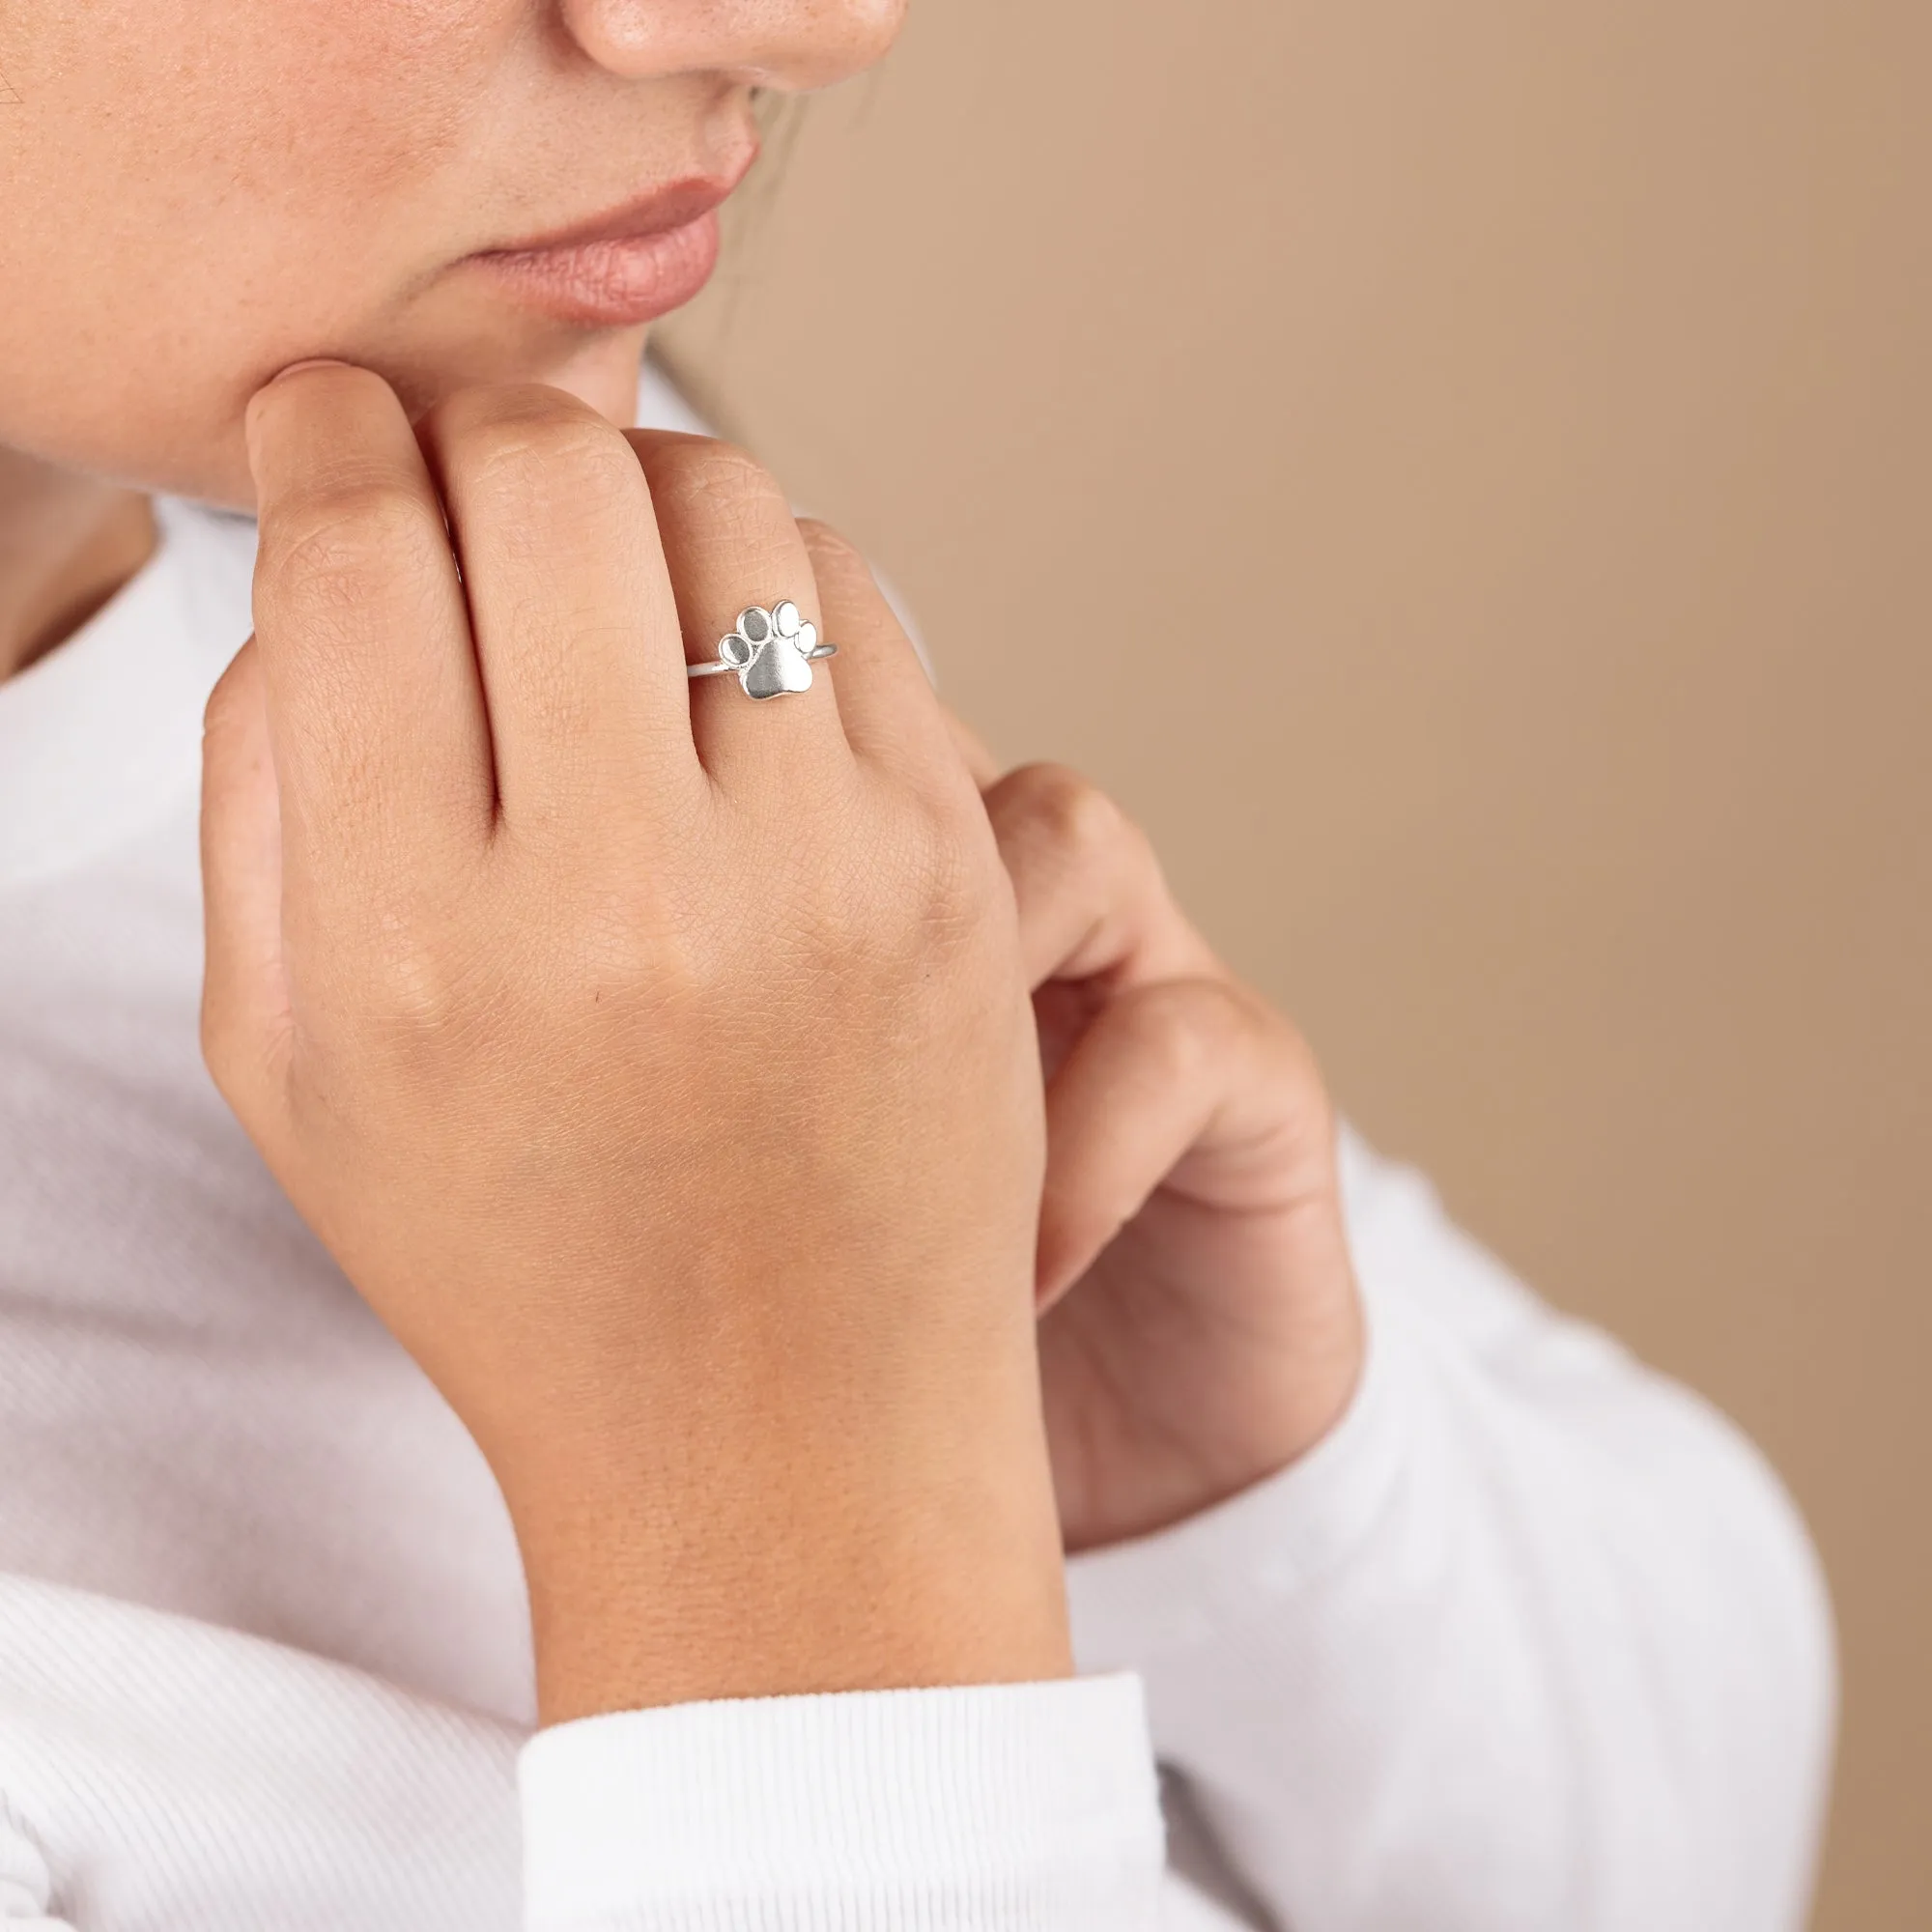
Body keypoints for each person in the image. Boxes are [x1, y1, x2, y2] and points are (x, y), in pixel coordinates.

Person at [0, 4, 1834, 1928]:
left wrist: (1258, 1514)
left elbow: (1703, 1823)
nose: (818, 22)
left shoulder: (556, 589)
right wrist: (803, 1535)